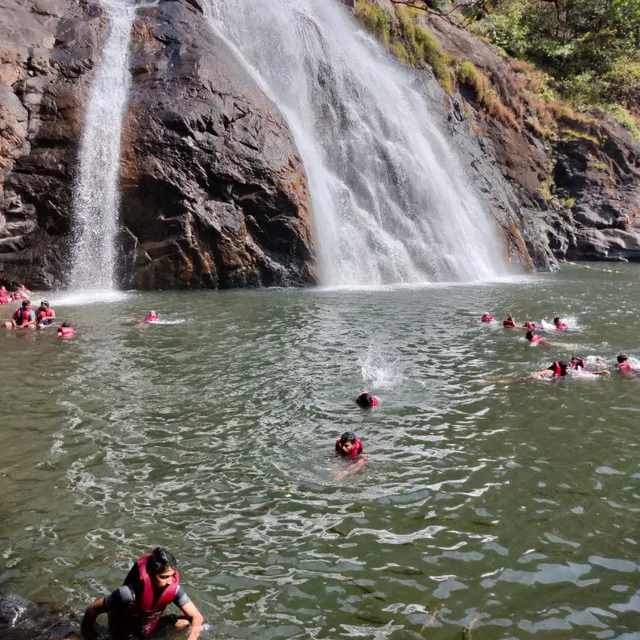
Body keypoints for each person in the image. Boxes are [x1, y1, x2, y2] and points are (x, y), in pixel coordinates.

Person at [77, 548, 203, 640]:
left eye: (172, 576)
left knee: (186, 623)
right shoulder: (128, 593)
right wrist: (89, 635)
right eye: (164, 577)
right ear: (150, 574)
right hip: (124, 635)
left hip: (149, 629)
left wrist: (192, 637)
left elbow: (197, 616)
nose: (170, 581)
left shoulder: (174, 589)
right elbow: (92, 610)